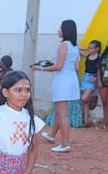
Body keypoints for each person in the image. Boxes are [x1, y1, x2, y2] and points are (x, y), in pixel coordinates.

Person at [32, 19, 80, 153]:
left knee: (62, 113)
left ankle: (65, 144)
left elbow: (58, 66)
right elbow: (76, 67)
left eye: (61, 28)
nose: (59, 30)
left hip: (62, 80)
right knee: (60, 111)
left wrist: (40, 68)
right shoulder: (75, 47)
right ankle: (52, 135)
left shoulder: (63, 45)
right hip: (72, 79)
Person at [79, 40, 101, 127]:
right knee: (85, 102)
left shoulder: (99, 58)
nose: (90, 49)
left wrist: (96, 78)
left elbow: (100, 69)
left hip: (92, 78)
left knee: (84, 98)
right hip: (85, 77)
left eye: (92, 48)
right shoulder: (88, 56)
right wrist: (86, 48)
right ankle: (86, 121)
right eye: (89, 48)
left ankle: (92, 98)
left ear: (97, 49)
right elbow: (77, 49)